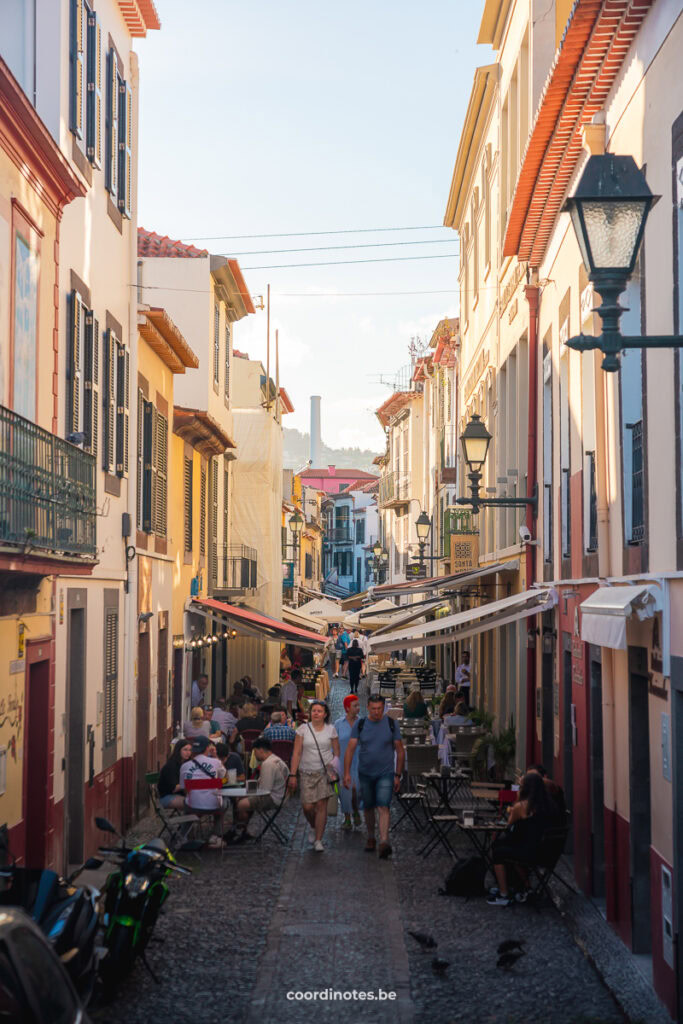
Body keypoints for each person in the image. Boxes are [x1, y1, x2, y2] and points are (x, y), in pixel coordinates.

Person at [344, 694, 405, 860]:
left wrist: (397, 774)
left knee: (383, 806)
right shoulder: (361, 724)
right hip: (365, 773)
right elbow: (350, 748)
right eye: (373, 709)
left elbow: (400, 750)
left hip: (386, 773)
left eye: (379, 709)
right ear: (368, 708)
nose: (376, 712)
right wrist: (347, 772)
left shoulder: (392, 724)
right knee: (369, 806)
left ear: (384, 708)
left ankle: (384, 841)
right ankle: (371, 836)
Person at [487, 771, 561, 905]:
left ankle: (504, 894)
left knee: (497, 850)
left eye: (521, 786)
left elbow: (508, 826)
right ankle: (526, 887)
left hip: (528, 853)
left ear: (525, 788)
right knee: (509, 848)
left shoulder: (521, 807)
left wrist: (518, 800)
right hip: (547, 853)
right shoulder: (551, 806)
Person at [288, 700, 340, 852]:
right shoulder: (302, 729)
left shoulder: (331, 730)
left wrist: (334, 768)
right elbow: (297, 753)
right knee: (307, 806)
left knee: (321, 806)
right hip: (306, 772)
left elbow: (337, 752)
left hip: (325, 772)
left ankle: (318, 839)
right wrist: (292, 774)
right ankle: (313, 825)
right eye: (314, 711)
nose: (316, 713)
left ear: (325, 714)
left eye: (319, 711)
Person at [232, 738, 290, 843]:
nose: (254, 755)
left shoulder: (268, 764)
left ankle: (239, 830)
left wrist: (248, 793)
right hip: (280, 796)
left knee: (240, 804)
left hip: (272, 798)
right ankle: (244, 830)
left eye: (254, 752)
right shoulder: (278, 760)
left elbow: (264, 790)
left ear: (260, 750)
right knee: (244, 799)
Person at [179, 736, 227, 849]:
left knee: (187, 804)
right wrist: (215, 756)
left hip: (193, 806)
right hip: (214, 807)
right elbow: (223, 778)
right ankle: (215, 835)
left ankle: (183, 836)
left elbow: (183, 787)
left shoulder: (185, 766)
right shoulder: (216, 762)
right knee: (225, 803)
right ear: (207, 748)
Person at [334, 694, 362, 831]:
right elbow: (334, 743)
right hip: (342, 762)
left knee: (356, 790)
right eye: (355, 705)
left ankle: (355, 809)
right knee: (344, 791)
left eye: (358, 705)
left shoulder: (362, 723)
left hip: (358, 761)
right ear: (347, 707)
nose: (358, 708)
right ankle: (347, 819)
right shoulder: (339, 724)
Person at [158, 739, 192, 809]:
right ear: (178, 750)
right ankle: (189, 819)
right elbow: (174, 788)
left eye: (190, 750)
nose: (188, 752)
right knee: (194, 803)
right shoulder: (171, 766)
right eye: (185, 750)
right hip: (168, 796)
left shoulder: (187, 764)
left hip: (183, 795)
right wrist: (192, 783)